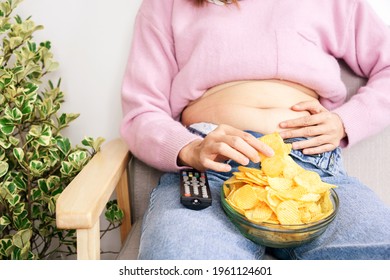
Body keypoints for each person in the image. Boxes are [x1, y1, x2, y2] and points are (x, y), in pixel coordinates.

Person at [120, 0, 390, 259]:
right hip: (210, 171)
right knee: (184, 259)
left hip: (311, 168)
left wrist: (346, 121)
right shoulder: (166, 4)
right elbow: (141, 113)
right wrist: (189, 148)